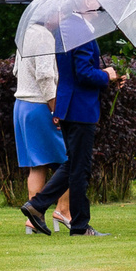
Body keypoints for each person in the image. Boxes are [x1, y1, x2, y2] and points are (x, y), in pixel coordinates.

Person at [22, 16, 118, 237]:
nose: (98, 5)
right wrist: (106, 75)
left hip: (70, 105)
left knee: (75, 164)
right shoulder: (79, 28)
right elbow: (83, 73)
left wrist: (110, 77)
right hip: (80, 108)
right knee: (79, 168)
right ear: (84, 1)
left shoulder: (65, 28)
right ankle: (79, 226)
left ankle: (38, 206)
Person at [13, 27, 72, 231]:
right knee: (68, 161)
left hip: (22, 105)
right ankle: (63, 210)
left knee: (37, 165)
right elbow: (45, 76)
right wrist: (55, 108)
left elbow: (16, 70)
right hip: (41, 105)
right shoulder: (45, 36)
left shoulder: (26, 33)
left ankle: (34, 218)